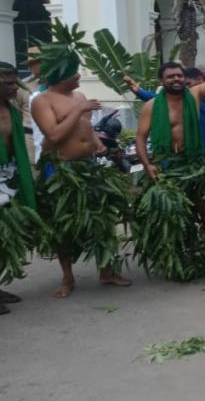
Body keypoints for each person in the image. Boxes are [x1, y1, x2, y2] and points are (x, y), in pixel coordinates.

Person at [32, 43, 132, 297]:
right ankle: (67, 277)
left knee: (102, 220)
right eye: (74, 72)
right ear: (61, 75)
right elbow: (54, 135)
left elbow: (85, 127)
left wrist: (97, 143)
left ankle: (107, 271)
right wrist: (79, 110)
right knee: (64, 225)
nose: (79, 76)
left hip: (89, 167)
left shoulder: (78, 96)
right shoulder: (42, 101)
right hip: (62, 172)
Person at [135, 30, 205, 232]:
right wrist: (147, 165)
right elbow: (141, 138)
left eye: (179, 75)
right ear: (162, 81)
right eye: (171, 77)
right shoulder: (151, 106)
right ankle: (186, 247)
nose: (176, 79)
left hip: (195, 160)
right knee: (174, 215)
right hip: (166, 164)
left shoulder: (194, 95)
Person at [0, 62, 38, 315]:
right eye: (8, 83)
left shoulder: (12, 110)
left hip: (9, 176)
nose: (15, 87)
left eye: (15, 81)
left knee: (5, 237)